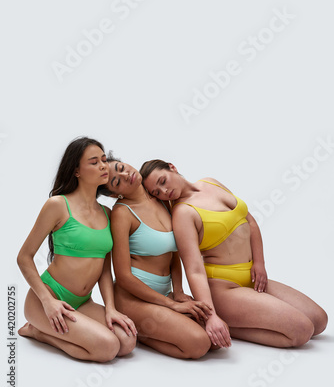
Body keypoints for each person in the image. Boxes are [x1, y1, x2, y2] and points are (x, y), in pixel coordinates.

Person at [140, 160, 328, 348]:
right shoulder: (182, 214)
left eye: (163, 181)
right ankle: (222, 322)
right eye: (157, 192)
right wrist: (211, 314)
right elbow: (194, 269)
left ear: (172, 167)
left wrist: (259, 263)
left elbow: (250, 221)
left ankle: (233, 320)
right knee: (302, 331)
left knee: (319, 321)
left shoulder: (210, 182)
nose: (164, 191)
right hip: (224, 289)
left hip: (253, 276)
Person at [17, 137, 136, 362]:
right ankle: (38, 331)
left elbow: (103, 270)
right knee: (108, 348)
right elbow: (24, 257)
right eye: (93, 162)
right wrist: (47, 301)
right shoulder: (58, 205)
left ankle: (53, 330)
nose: (103, 165)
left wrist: (110, 308)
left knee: (127, 342)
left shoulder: (107, 214)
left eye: (103, 159)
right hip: (47, 299)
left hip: (83, 302)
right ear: (76, 171)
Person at [98, 152, 224, 358]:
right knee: (199, 344)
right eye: (116, 182)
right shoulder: (122, 213)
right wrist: (172, 305)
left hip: (166, 293)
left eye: (121, 167)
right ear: (114, 194)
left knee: (215, 341)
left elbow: (174, 252)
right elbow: (123, 277)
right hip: (133, 299)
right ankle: (142, 334)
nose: (125, 174)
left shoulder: (162, 198)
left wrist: (179, 291)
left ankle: (159, 326)